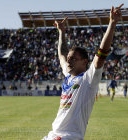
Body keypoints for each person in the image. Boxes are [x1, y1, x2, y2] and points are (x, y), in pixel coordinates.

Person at [42, 4, 124, 140]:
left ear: (85, 61)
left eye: (74, 58)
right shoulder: (68, 76)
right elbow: (62, 54)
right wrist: (61, 32)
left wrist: (112, 23)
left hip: (69, 137)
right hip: (53, 134)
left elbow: (101, 55)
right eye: (69, 58)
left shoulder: (89, 79)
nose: (69, 61)